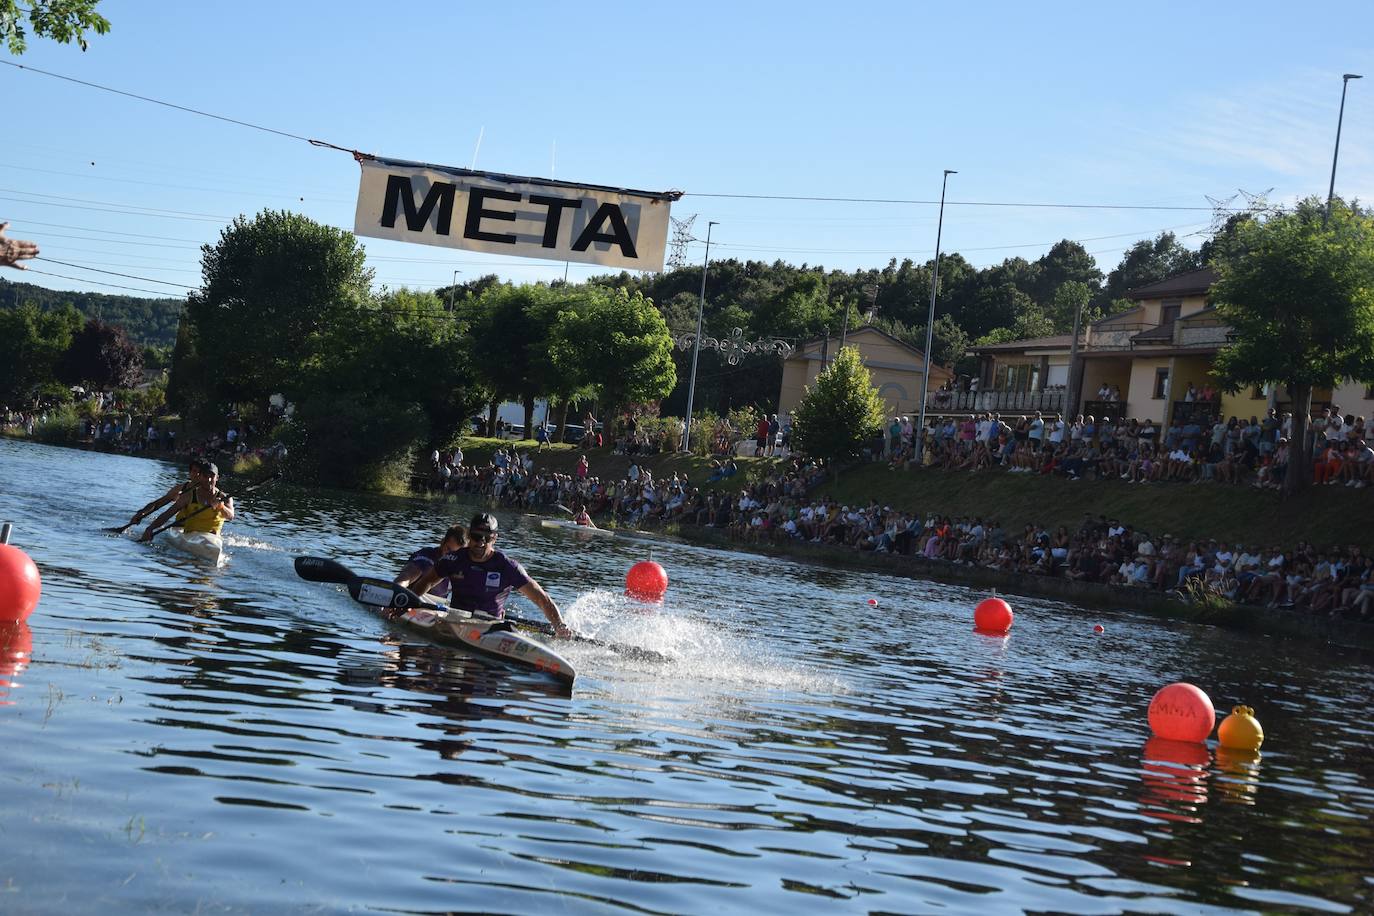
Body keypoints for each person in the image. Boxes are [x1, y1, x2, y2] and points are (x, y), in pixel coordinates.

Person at [397, 512, 571, 636]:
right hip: (455, 620)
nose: (480, 542)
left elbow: (542, 599)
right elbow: (426, 582)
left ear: (495, 538)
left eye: (486, 537)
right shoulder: (453, 559)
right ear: (469, 535)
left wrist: (559, 626)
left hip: (491, 628)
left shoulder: (507, 567)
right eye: (475, 536)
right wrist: (405, 606)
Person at [139, 459, 235, 541]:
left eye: (212, 476)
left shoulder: (226, 498)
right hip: (190, 537)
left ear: (217, 478)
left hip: (213, 539)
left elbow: (230, 516)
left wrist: (221, 507)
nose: (209, 480)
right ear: (200, 477)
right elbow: (167, 514)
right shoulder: (188, 496)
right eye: (205, 476)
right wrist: (150, 528)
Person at [393, 524, 467, 600]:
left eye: (455, 553)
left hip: (435, 607)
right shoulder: (426, 556)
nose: (450, 555)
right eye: (448, 549)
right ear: (442, 542)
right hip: (408, 599)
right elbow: (408, 575)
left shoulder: (461, 565)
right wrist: (397, 589)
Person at [124, 458, 201, 530]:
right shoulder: (180, 489)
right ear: (190, 473)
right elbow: (158, 504)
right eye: (194, 471)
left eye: (200, 472)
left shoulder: (210, 491)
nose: (197, 474)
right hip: (181, 527)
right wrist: (142, 513)